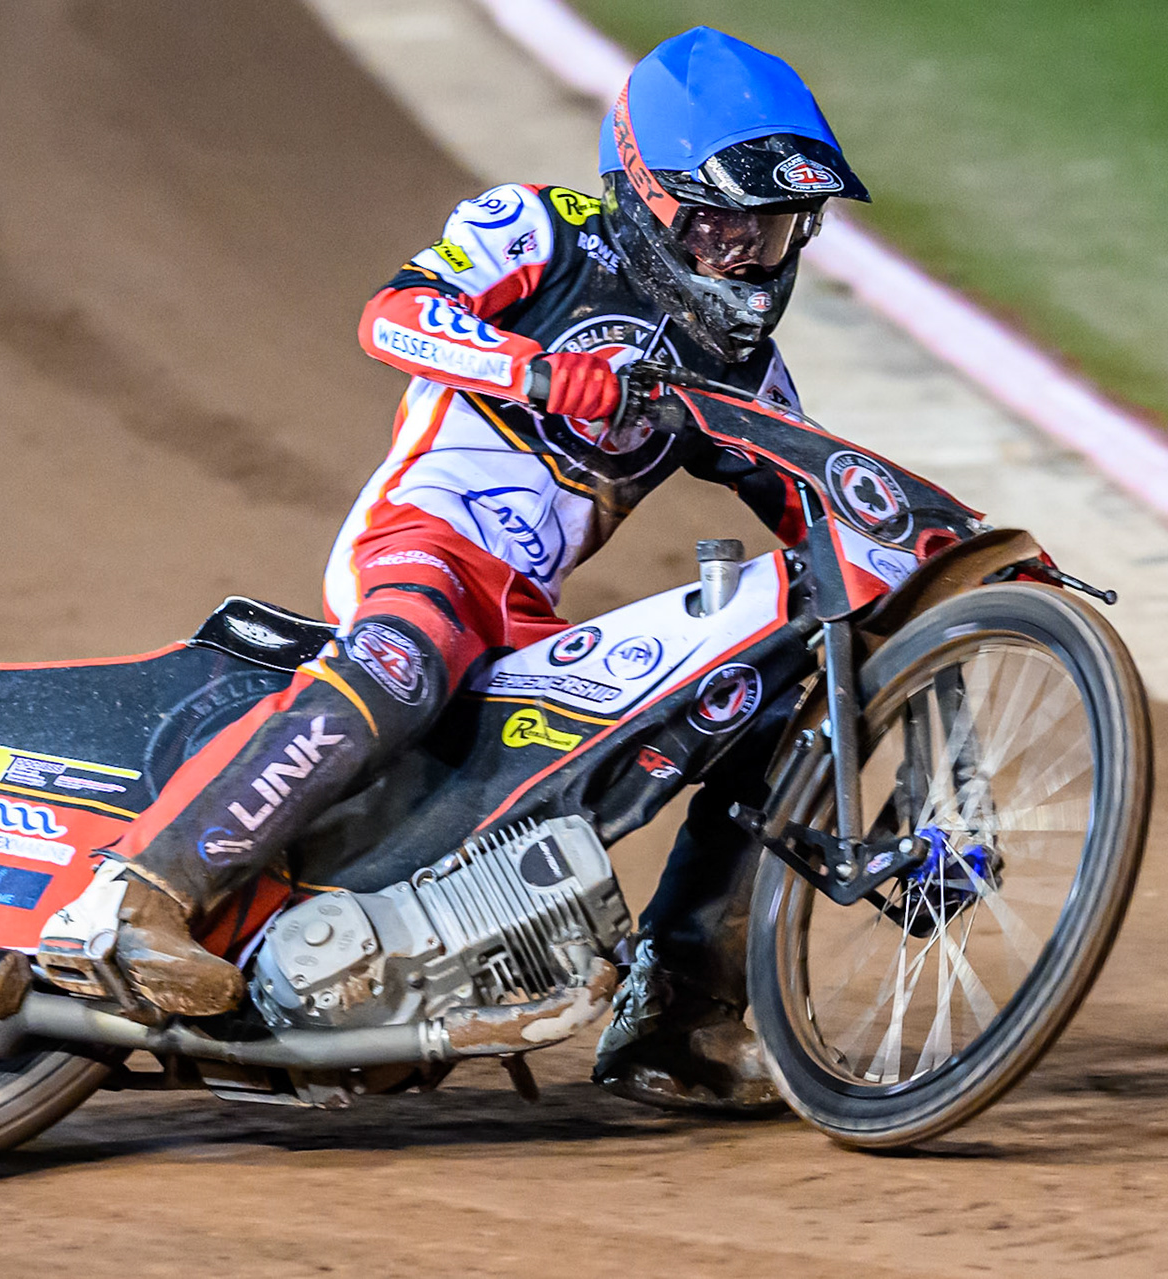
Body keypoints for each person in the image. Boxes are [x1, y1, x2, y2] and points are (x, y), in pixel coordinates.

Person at [100, 27, 870, 1111]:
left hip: (524, 616)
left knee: (764, 696)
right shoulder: (540, 228)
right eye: (724, 224)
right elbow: (395, 315)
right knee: (410, 656)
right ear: (650, 195)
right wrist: (546, 375)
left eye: (778, 228)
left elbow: (818, 504)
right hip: (420, 540)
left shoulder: (746, 370)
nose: (750, 257)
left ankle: (679, 1015)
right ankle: (147, 895)